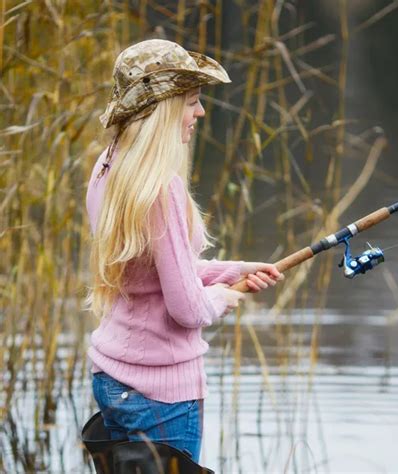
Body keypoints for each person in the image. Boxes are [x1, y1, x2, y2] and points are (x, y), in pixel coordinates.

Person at [83, 39, 284, 464]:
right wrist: (224, 297)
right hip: (161, 393)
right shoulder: (160, 189)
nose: (200, 112)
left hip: (113, 378)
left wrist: (233, 270)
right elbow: (188, 310)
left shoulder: (108, 168)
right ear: (162, 109)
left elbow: (153, 273)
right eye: (191, 101)